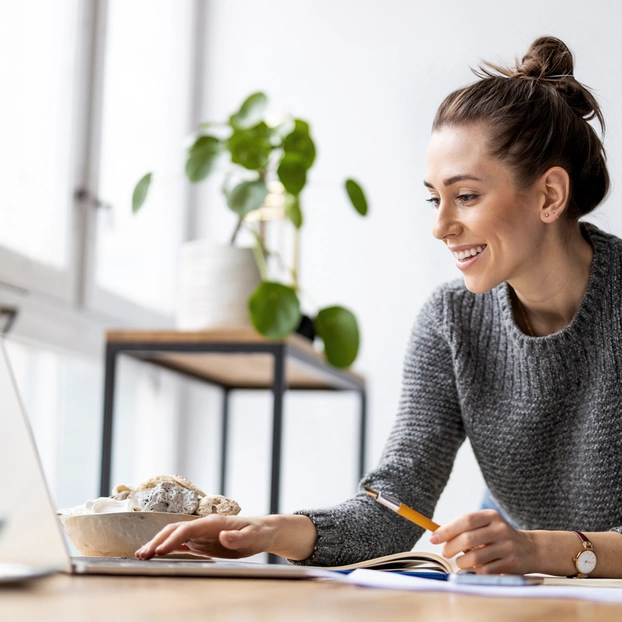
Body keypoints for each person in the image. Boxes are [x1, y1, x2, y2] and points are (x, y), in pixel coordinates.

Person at [137, 36, 622, 577]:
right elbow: (394, 506)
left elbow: (534, 549)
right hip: (528, 588)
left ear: (550, 195)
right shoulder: (450, 321)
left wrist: (541, 551)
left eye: (465, 196)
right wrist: (271, 531)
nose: (440, 227)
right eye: (434, 199)